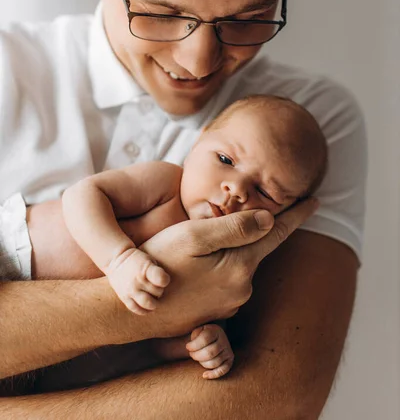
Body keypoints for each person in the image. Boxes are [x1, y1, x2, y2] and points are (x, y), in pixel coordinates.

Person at [0, 0, 366, 417]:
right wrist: (142, 305)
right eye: (160, 13)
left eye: (249, 16)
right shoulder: (8, 71)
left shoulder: (303, 128)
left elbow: (275, 399)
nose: (199, 61)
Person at [29, 95, 327, 381]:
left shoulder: (225, 271)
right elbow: (81, 196)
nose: (236, 188)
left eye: (265, 193)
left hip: (44, 348)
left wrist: (199, 342)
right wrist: (119, 258)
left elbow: (152, 341)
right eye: (225, 159)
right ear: (200, 139)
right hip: (15, 252)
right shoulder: (166, 185)